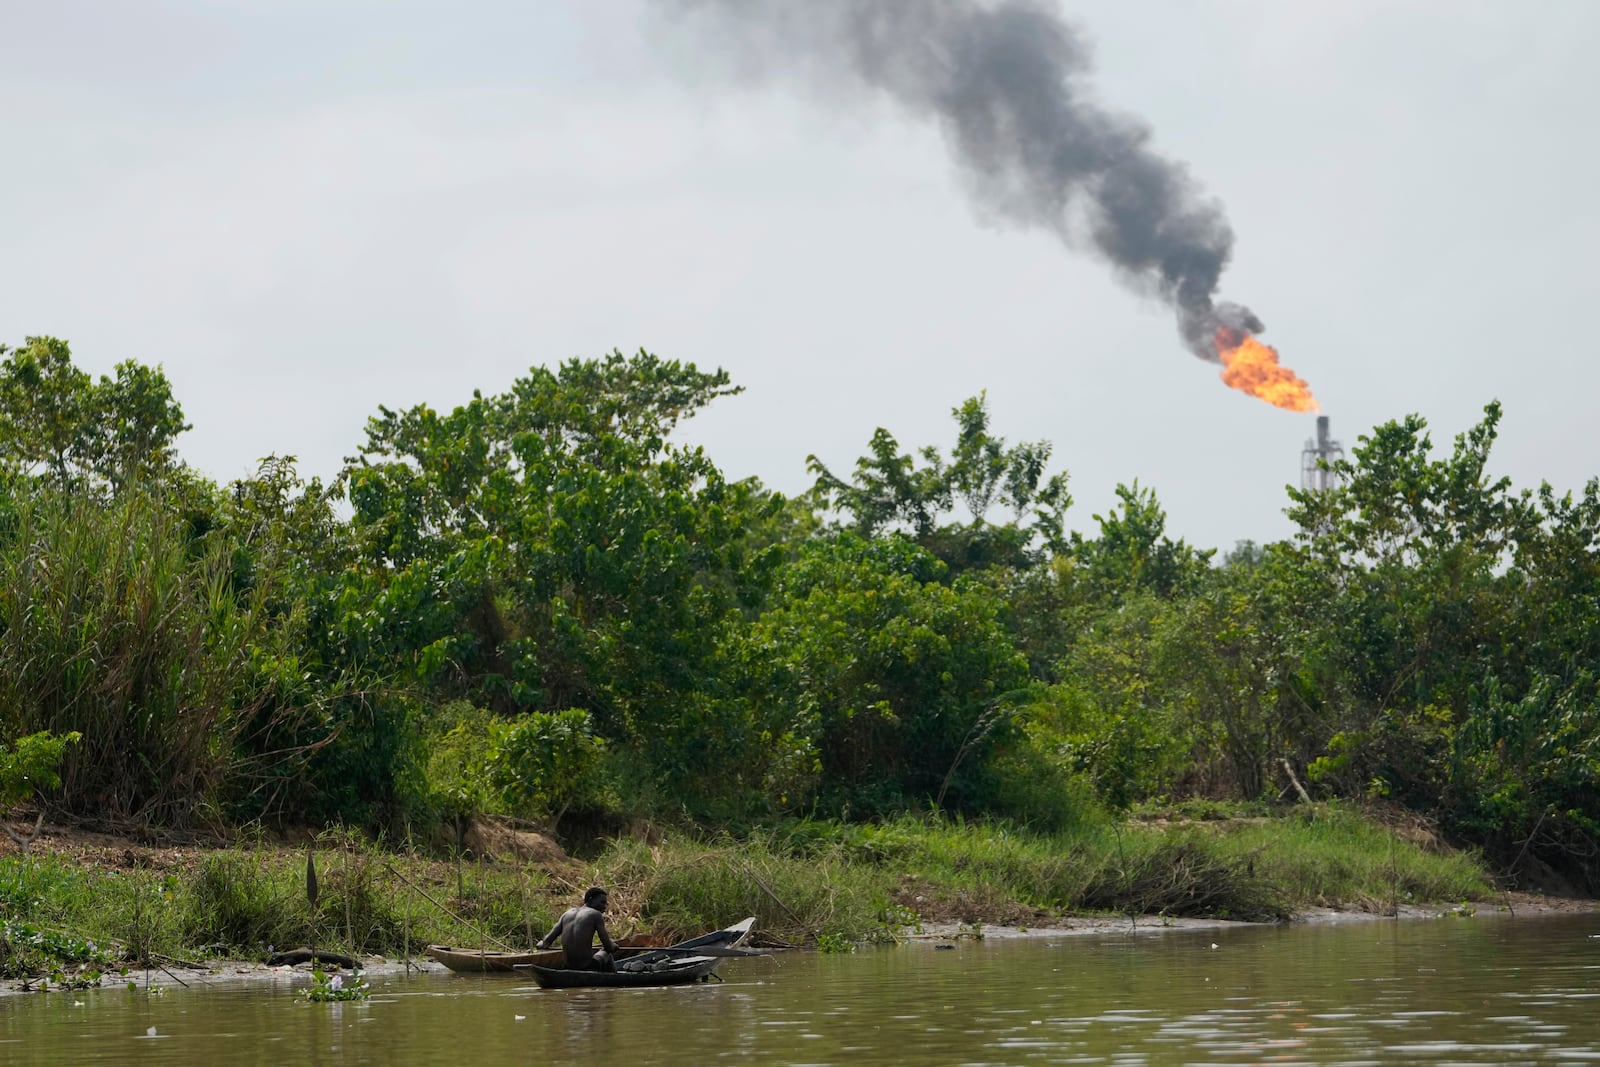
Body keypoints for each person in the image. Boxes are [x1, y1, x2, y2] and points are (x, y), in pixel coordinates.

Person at [536, 886, 619, 971]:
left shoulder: (566, 914)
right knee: (607, 953)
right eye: (602, 902)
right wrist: (613, 946)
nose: (605, 906)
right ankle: (615, 978)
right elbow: (608, 946)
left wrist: (542, 944)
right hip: (587, 967)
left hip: (568, 967)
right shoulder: (596, 914)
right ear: (591, 900)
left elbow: (546, 942)